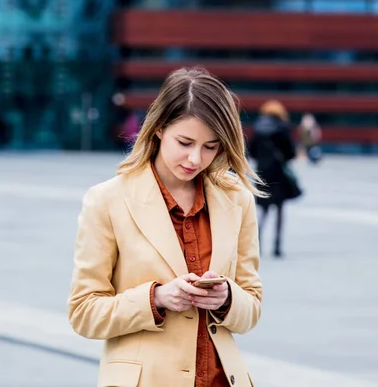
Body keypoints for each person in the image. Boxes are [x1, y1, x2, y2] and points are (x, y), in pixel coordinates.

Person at [68, 68, 263, 387]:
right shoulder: (108, 200)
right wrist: (156, 298)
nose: (195, 158)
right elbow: (84, 312)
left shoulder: (236, 200)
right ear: (158, 128)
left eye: (211, 146)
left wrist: (228, 297)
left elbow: (252, 304)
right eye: (184, 142)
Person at [248, 100, 299, 258]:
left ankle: (259, 244)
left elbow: (251, 151)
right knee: (279, 210)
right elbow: (291, 153)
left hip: (262, 173)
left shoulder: (257, 128)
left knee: (262, 210)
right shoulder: (282, 129)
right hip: (279, 173)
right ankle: (277, 245)